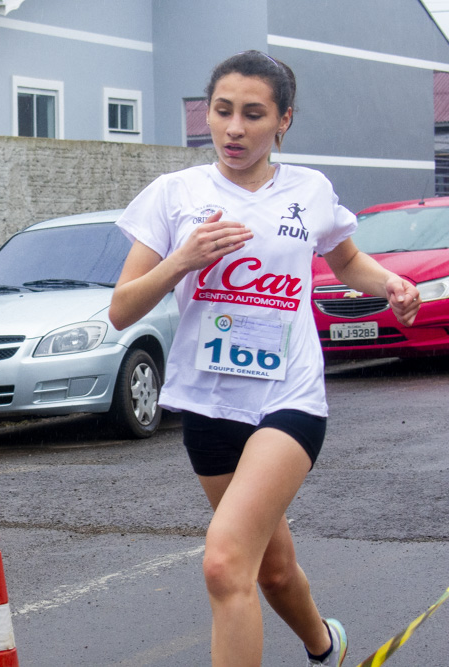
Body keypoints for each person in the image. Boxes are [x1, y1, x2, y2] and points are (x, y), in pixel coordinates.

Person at [107, 51, 420, 667]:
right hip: (208, 403)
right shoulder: (176, 194)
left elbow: (346, 260)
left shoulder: (310, 190)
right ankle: (325, 646)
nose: (234, 128)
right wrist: (182, 260)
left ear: (283, 121)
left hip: (289, 397)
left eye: (254, 114)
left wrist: (389, 284)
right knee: (272, 570)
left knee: (225, 563)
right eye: (222, 111)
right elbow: (120, 310)